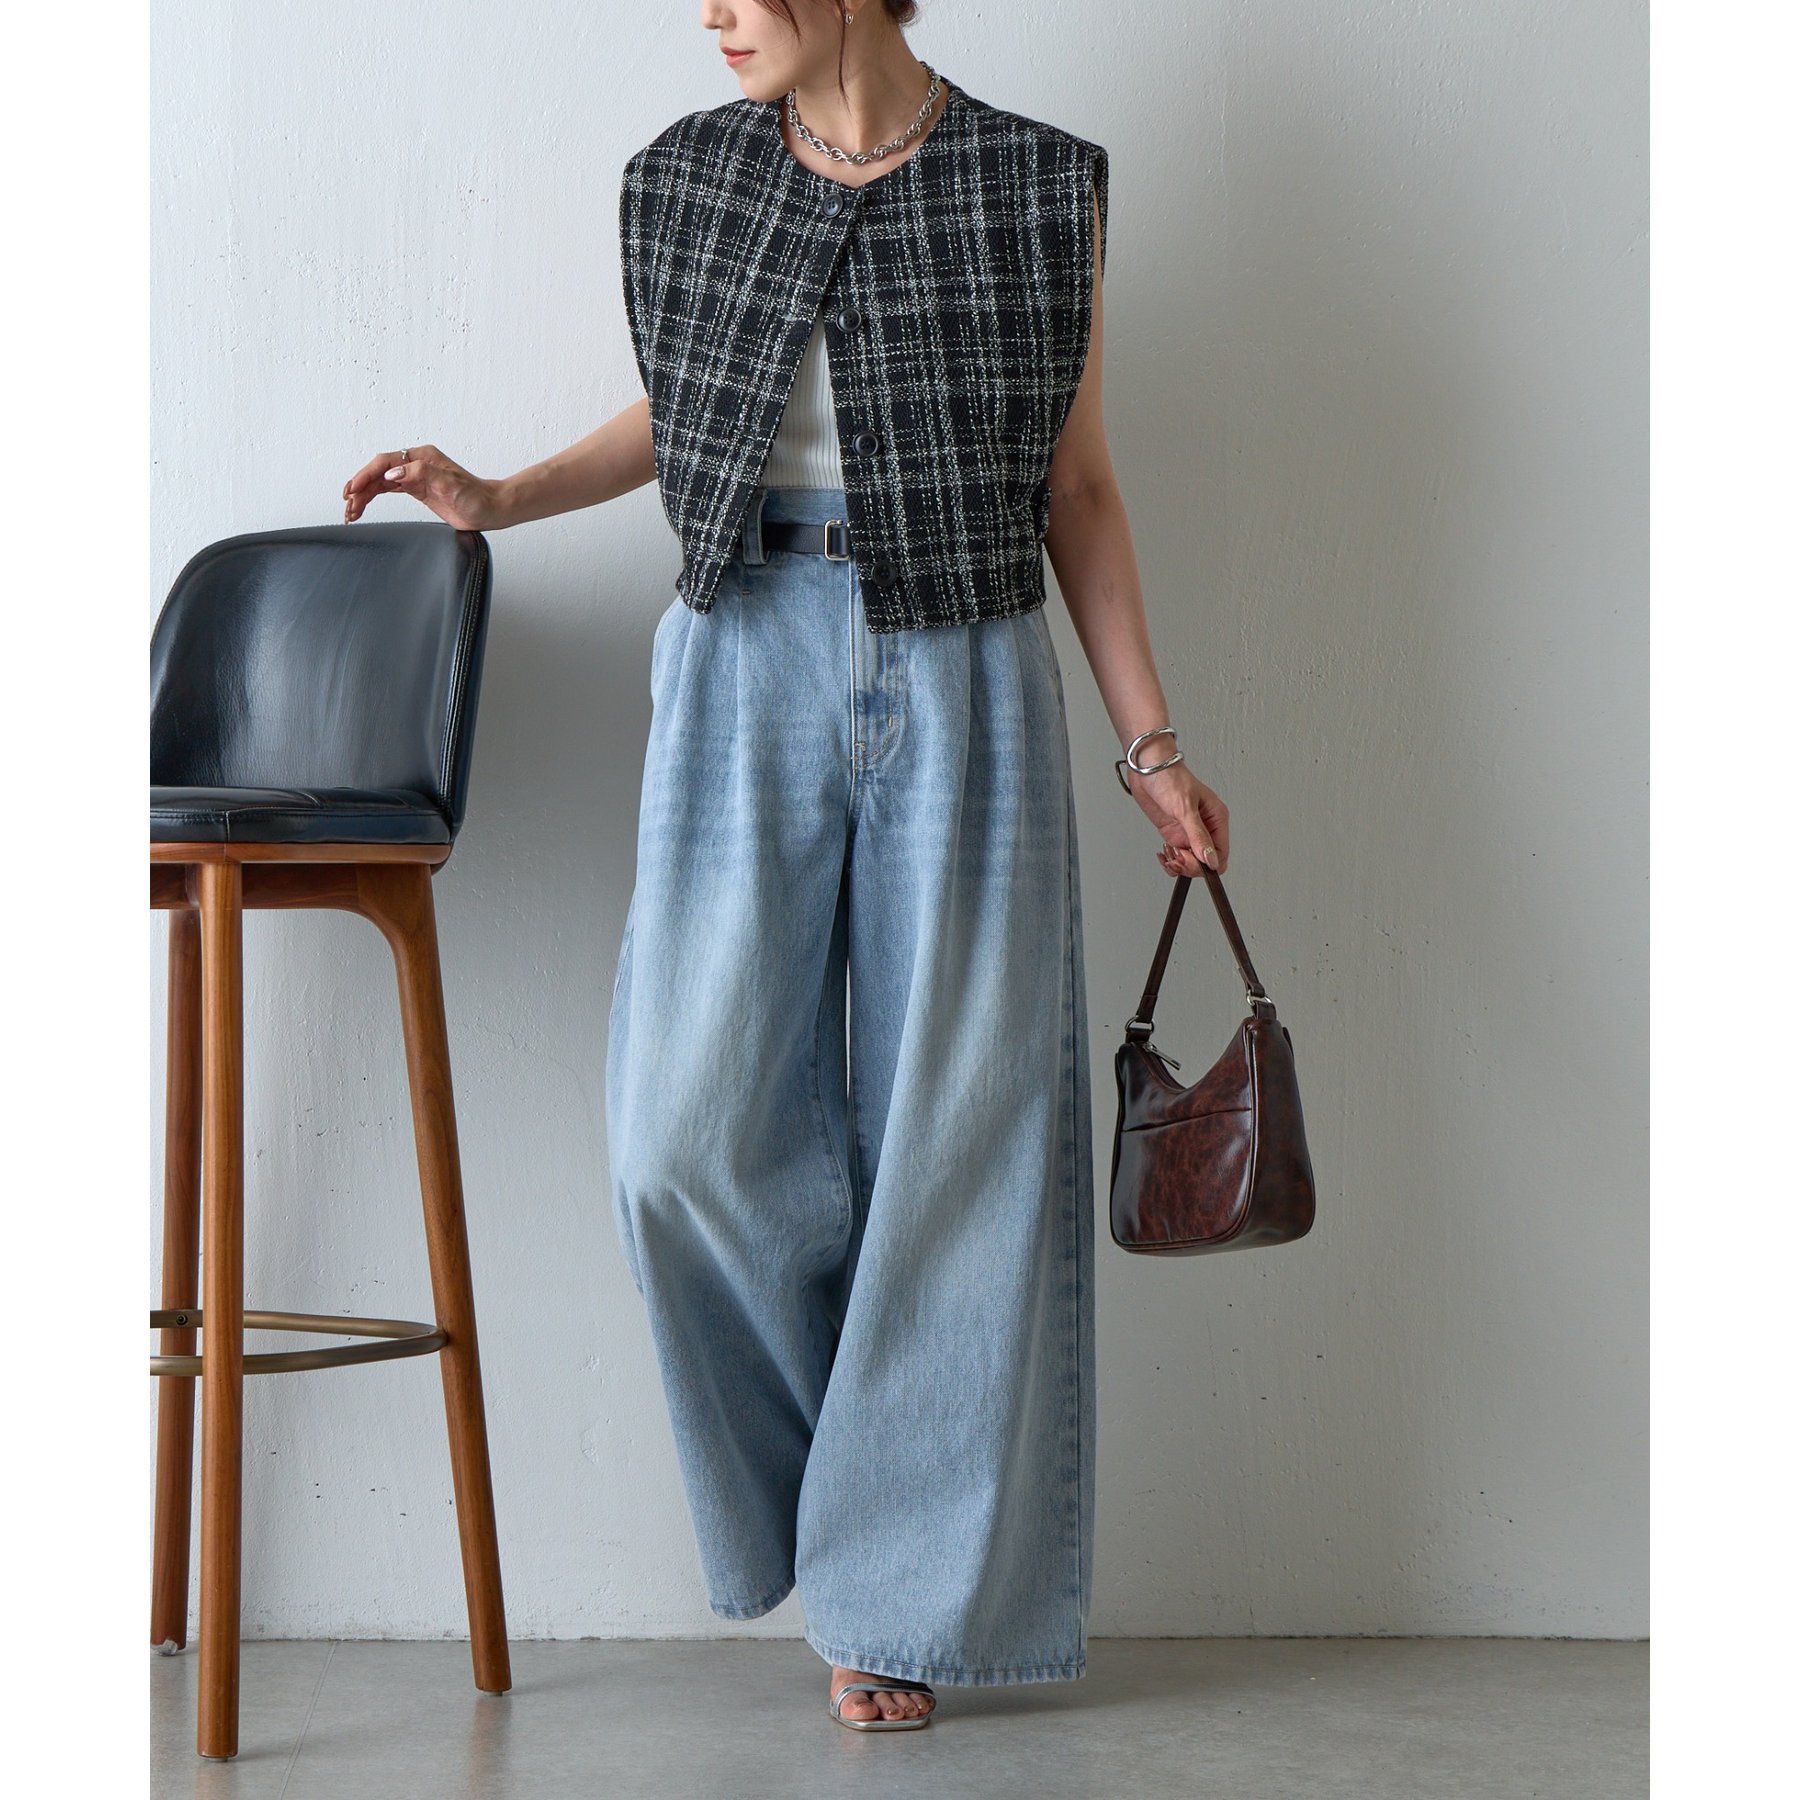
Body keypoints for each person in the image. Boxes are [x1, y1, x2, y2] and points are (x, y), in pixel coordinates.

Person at [341, 0, 1227, 1734]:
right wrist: (503, 494)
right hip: (740, 647)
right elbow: (694, 412)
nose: (710, 11)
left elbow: (1080, 490)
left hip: (967, 654)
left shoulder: (1039, 186)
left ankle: (890, 1599)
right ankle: (855, 1493)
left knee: (958, 1134)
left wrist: (1153, 747)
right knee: (680, 1135)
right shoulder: (687, 178)